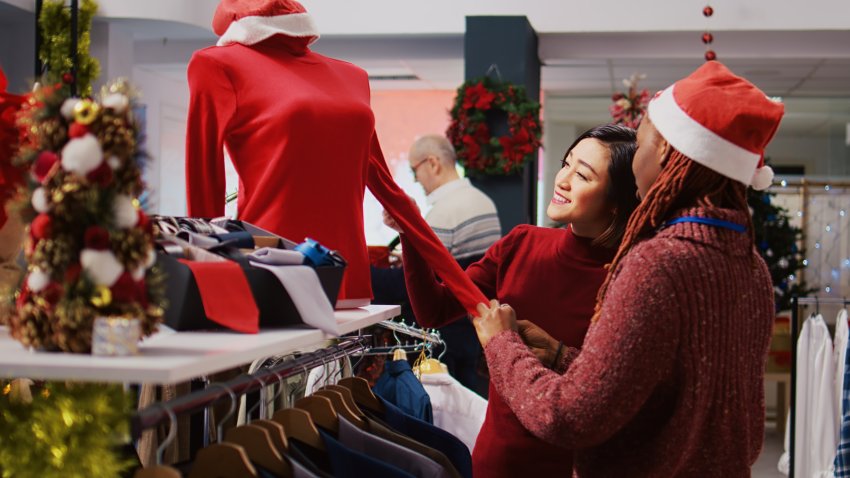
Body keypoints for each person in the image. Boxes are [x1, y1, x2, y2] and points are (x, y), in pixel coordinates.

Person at [472, 61, 784, 476]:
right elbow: (672, 399)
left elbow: (567, 418)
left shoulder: (656, 264)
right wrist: (563, 357)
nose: (632, 160)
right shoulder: (750, 266)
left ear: (669, 154)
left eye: (638, 145)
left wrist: (502, 345)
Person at [386, 124, 639, 477]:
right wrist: (410, 235)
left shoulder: (629, 280)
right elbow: (434, 310)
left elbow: (611, 394)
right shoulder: (521, 243)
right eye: (566, 164)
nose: (562, 179)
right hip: (497, 458)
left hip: (573, 466)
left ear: (615, 202)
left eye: (582, 175)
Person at [372, 134, 501, 394]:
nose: (416, 179)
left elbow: (417, 283)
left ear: (432, 163)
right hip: (471, 331)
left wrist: (363, 273)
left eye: (414, 170)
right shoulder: (483, 202)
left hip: (444, 337)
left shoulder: (445, 212)